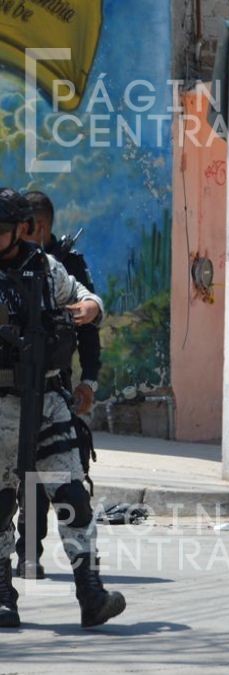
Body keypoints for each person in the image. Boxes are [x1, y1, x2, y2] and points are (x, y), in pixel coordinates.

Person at [0, 188, 125, 629]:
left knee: (72, 497)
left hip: (49, 400)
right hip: (2, 405)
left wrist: (82, 312)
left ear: (19, 230)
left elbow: (90, 302)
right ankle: (2, 595)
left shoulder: (44, 268)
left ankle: (90, 593)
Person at [15, 191, 102, 580]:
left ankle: (88, 582)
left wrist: (89, 382)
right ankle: (25, 558)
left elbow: (89, 326)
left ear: (39, 227)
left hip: (54, 387)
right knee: (18, 485)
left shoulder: (59, 267)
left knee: (64, 481)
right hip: (11, 391)